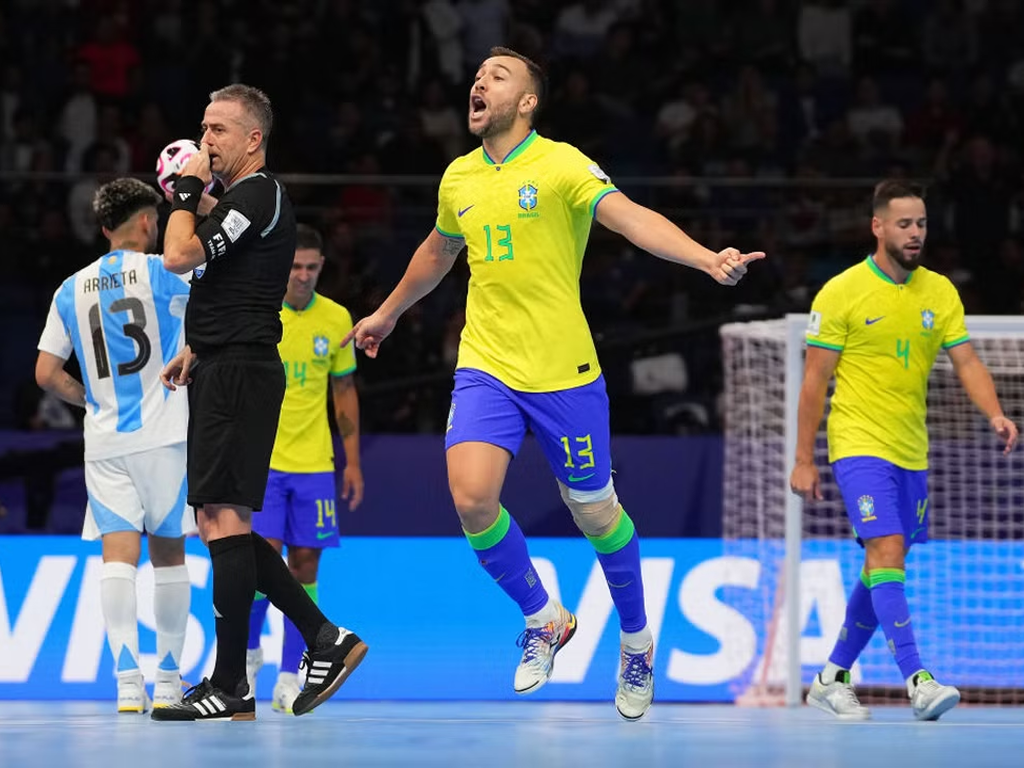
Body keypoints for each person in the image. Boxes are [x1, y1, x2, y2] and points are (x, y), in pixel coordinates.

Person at [345, 47, 765, 721]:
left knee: (596, 514)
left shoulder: (563, 163)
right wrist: (388, 314)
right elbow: (437, 251)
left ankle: (636, 640)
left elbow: (630, 218)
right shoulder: (459, 177)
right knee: (473, 498)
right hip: (487, 366)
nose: (480, 81)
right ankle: (544, 616)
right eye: (478, 74)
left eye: (498, 75)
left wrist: (704, 259)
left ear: (529, 102)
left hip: (565, 373)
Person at [151, 84, 366, 722]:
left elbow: (178, 255)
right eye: (203, 126)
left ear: (253, 140)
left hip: (242, 373)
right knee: (224, 526)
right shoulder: (242, 202)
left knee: (224, 523)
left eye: (218, 130)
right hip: (225, 365)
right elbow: (228, 281)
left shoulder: (259, 193)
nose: (204, 140)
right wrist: (198, 345)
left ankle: (235, 682)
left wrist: (186, 194)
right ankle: (320, 641)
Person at [790, 179, 1019, 721]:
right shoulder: (842, 292)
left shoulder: (939, 292)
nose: (915, 234)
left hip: (912, 451)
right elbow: (814, 382)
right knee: (887, 550)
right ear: (878, 226)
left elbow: (966, 360)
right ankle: (918, 679)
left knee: (882, 565)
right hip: (858, 445)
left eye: (921, 224)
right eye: (904, 224)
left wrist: (995, 413)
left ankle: (829, 677)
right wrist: (803, 458)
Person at [35, 177, 194, 713]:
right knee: (170, 553)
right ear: (149, 222)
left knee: (116, 558)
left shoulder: (69, 288)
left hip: (103, 440)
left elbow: (45, 373)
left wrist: (91, 401)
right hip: (166, 435)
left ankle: (128, 681)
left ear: (104, 227)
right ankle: (169, 680)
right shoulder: (164, 271)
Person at [245, 223, 364, 713]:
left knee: (306, 568)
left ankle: (292, 674)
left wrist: (352, 463)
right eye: (296, 266)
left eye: (312, 267)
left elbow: (344, 393)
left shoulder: (337, 319)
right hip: (265, 463)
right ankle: (248, 659)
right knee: (260, 567)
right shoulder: (259, 311)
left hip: (315, 464)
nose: (304, 275)